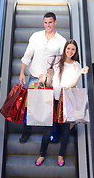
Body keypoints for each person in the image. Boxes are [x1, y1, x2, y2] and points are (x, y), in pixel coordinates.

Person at [35, 39, 89, 167]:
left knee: (65, 130)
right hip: (52, 99)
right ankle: (42, 154)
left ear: (75, 52)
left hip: (66, 100)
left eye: (73, 49)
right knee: (47, 130)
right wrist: (42, 77)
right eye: (68, 48)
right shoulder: (57, 61)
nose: (70, 51)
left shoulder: (76, 65)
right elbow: (49, 79)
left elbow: (71, 85)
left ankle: (61, 155)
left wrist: (80, 73)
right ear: (65, 48)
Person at [19, 12, 66, 143]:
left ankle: (51, 134)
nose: (47, 25)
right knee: (29, 106)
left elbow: (60, 63)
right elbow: (27, 55)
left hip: (49, 79)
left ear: (55, 22)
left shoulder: (61, 41)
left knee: (49, 106)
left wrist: (46, 76)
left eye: (50, 22)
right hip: (34, 77)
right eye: (45, 22)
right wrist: (22, 72)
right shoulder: (36, 36)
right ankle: (26, 131)